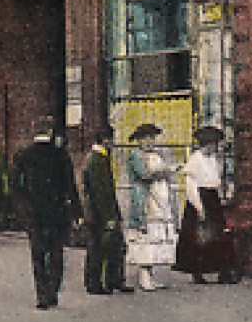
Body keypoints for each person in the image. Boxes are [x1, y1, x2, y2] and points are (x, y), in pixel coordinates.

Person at [10, 116, 83, 310]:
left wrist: (22, 209)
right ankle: (52, 292)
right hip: (58, 212)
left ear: (34, 133)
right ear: (50, 133)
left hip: (35, 213)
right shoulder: (61, 155)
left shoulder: (23, 155)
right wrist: (77, 211)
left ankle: (41, 294)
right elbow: (70, 186)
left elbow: (16, 186)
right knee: (56, 254)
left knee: (38, 255)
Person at [175, 126, 241, 284]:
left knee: (219, 235)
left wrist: (220, 197)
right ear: (204, 144)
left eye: (215, 144)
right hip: (200, 198)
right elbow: (191, 185)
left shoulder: (214, 159)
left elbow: (216, 180)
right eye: (211, 144)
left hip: (213, 198)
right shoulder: (194, 159)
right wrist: (198, 206)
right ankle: (197, 272)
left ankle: (222, 271)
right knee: (199, 238)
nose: (214, 147)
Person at [125, 123, 179, 291]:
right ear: (139, 140)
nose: (150, 142)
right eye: (146, 138)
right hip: (146, 200)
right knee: (145, 237)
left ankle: (151, 275)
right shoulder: (136, 155)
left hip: (159, 202)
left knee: (156, 238)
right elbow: (144, 175)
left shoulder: (156, 155)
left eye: (152, 138)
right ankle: (143, 276)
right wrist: (167, 171)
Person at [81, 125, 132, 295]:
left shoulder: (97, 157)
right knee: (99, 248)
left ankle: (113, 280)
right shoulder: (97, 159)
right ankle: (96, 283)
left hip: (101, 212)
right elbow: (100, 191)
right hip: (99, 213)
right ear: (105, 140)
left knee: (114, 246)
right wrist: (109, 216)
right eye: (111, 140)